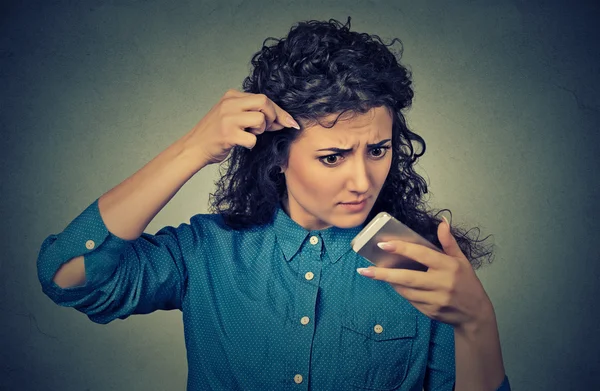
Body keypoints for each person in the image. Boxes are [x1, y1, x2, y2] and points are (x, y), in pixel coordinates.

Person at [37, 18, 511, 391]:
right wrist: (191, 150)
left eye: (378, 150)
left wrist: (478, 325)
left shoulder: (417, 262)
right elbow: (66, 276)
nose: (363, 179)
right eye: (332, 157)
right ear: (279, 158)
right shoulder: (208, 251)